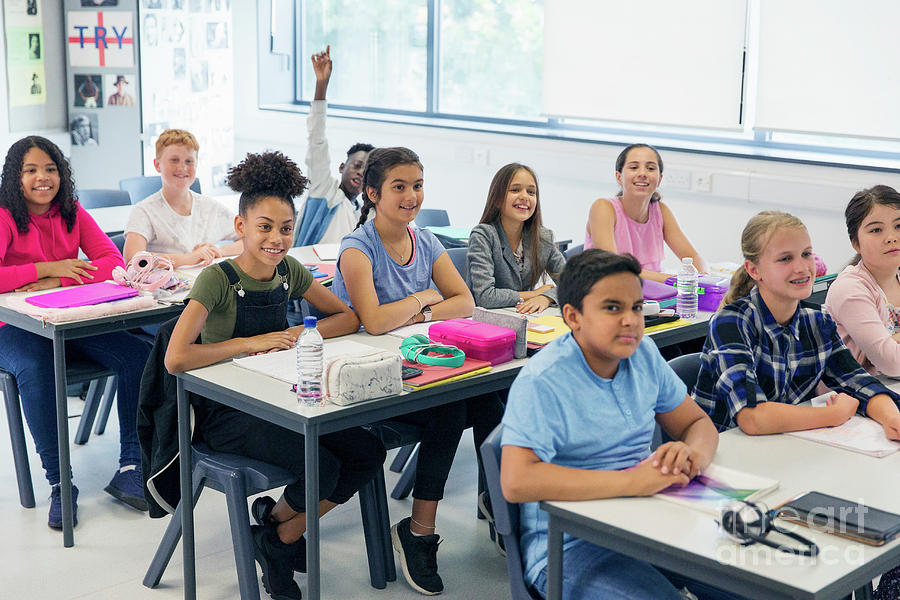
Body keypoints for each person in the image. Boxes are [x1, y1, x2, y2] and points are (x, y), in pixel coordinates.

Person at [164, 150, 383, 600]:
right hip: (228, 413)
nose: (277, 239)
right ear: (241, 227)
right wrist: (251, 343)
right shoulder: (217, 279)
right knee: (321, 464)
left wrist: (298, 331)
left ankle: (277, 533)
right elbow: (176, 358)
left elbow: (346, 318)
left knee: (366, 450)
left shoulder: (289, 270)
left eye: (286, 229)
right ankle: (279, 538)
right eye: (265, 227)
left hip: (282, 396)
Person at [501, 249, 742, 600]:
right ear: (573, 316)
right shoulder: (545, 380)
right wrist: (629, 481)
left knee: (764, 585)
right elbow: (516, 481)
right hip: (570, 545)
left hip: (647, 521)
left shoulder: (642, 353)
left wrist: (691, 455)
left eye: (637, 307)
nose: (630, 320)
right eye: (613, 308)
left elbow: (696, 423)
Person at [331, 147, 503, 595]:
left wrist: (415, 310)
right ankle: (419, 532)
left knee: (490, 396)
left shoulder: (424, 240)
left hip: (415, 369)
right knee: (448, 409)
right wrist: (424, 297)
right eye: (399, 187)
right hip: (365, 382)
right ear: (372, 193)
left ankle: (500, 504)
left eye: (418, 185)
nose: (411, 196)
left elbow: (465, 301)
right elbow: (373, 321)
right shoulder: (358, 248)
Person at [0, 136, 151, 529]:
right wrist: (48, 269)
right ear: (15, 177)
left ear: (62, 174)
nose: (42, 178)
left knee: (137, 355)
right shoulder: (3, 216)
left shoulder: (72, 211)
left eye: (50, 169)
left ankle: (131, 464)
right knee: (36, 368)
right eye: (31, 170)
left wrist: (59, 283)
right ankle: (60, 482)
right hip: (11, 327)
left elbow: (113, 262)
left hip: (68, 319)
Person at [693, 210, 900, 439]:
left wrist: (892, 418)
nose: (801, 267)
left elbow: (858, 382)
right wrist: (833, 415)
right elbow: (752, 417)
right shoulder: (732, 322)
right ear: (754, 270)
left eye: (806, 254)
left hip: (782, 446)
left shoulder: (817, 320)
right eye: (785, 259)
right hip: (725, 454)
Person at [823, 186, 900, 600]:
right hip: (846, 413)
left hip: (882, 403)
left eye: (899, 226)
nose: (891, 237)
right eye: (877, 229)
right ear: (855, 241)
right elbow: (890, 360)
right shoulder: (852, 287)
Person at [585, 143, 707, 283]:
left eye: (650, 168)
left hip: (650, 296)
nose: (642, 174)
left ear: (659, 179)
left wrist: (704, 277)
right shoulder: (603, 208)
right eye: (634, 167)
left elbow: (693, 257)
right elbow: (616, 269)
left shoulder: (661, 211)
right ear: (619, 177)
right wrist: (677, 281)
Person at [124, 128, 241, 267]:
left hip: (205, 282)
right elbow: (134, 258)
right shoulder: (144, 211)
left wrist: (219, 251)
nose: (182, 167)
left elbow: (250, 240)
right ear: (157, 165)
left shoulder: (210, 207)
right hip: (165, 286)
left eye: (189, 161)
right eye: (174, 160)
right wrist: (190, 258)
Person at [295, 45, 373, 246]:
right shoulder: (324, 190)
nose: (360, 173)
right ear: (342, 167)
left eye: (366, 171)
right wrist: (322, 84)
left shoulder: (363, 212)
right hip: (309, 272)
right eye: (356, 165)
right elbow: (317, 140)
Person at [466, 163, 566, 313]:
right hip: (486, 321)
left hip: (524, 318)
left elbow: (572, 284)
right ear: (497, 199)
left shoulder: (543, 238)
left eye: (531, 192)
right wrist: (533, 294)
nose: (524, 196)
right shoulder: (483, 235)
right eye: (515, 190)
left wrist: (546, 297)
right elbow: (485, 296)